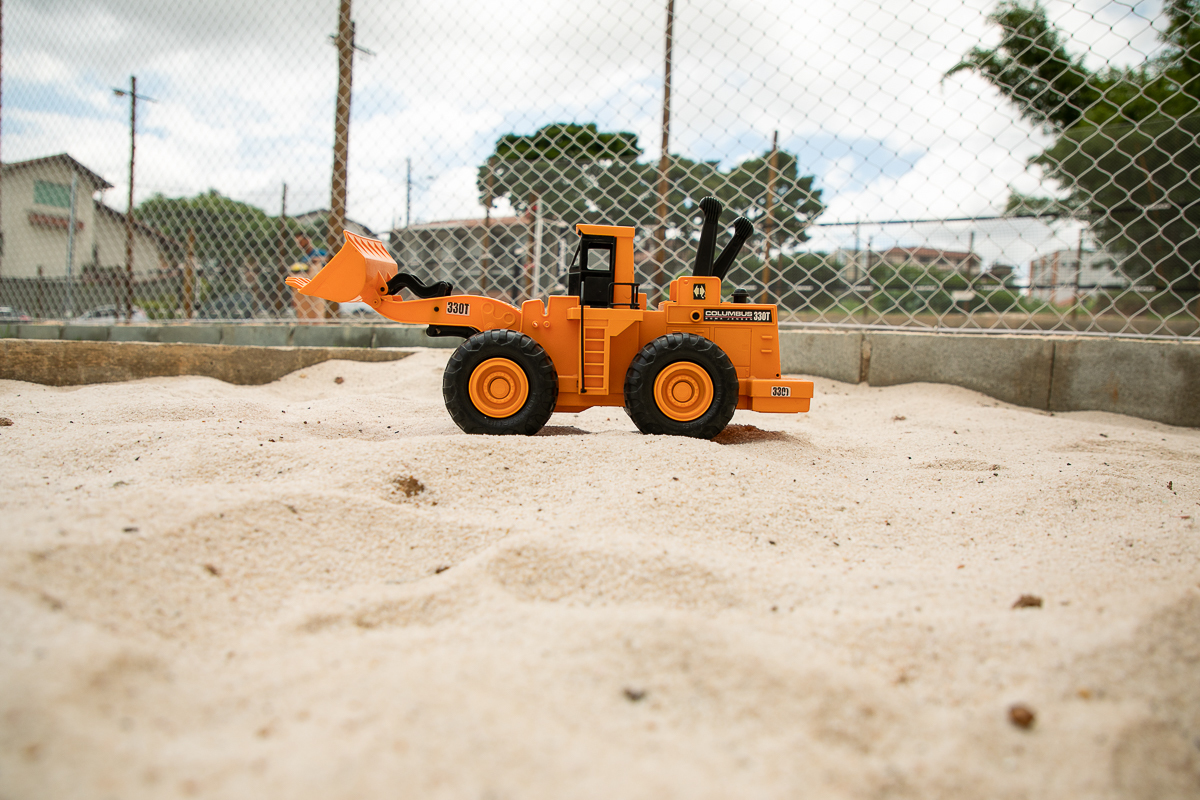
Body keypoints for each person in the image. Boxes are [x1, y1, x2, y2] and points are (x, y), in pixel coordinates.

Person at [290, 235, 329, 323]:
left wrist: (318, 260)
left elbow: (331, 258)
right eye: (298, 243)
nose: (301, 244)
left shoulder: (319, 252)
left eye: (301, 241)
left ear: (307, 240)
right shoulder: (304, 259)